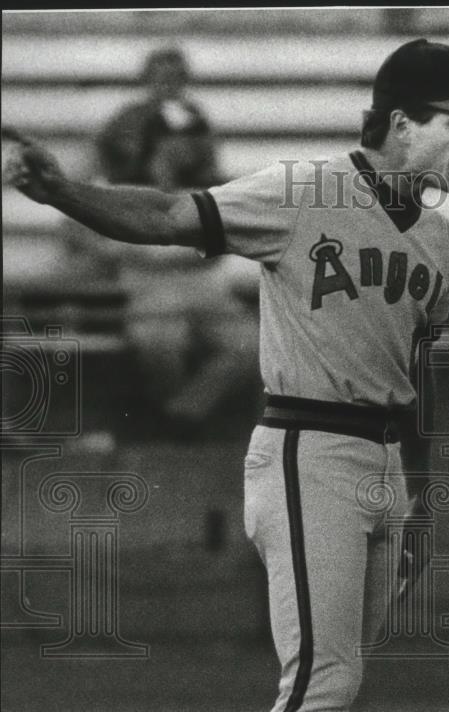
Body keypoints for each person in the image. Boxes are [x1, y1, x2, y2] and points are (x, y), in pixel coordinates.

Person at [5, 38, 449, 712]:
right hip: (306, 444)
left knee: (336, 685)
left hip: (385, 463)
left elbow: (416, 377)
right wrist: (59, 192)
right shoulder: (302, 190)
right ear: (403, 123)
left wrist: (424, 502)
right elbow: (166, 215)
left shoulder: (437, 239)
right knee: (315, 680)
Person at [97, 45, 255, 431]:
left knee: (254, 346)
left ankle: (180, 415)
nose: (173, 148)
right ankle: (177, 417)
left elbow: (220, 242)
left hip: (201, 282)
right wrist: (123, 249)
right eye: (161, 141)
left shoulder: (201, 165)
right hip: (148, 281)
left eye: (181, 142)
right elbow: (81, 227)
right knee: (159, 343)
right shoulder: (123, 174)